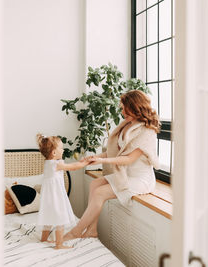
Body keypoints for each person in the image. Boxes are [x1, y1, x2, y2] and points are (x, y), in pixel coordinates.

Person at [64, 90, 161, 241]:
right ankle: (91, 230)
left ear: (136, 107)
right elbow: (113, 152)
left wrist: (102, 161)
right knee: (94, 184)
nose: (122, 112)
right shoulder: (126, 125)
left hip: (141, 179)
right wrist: (96, 157)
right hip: (126, 175)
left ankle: (76, 232)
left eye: (125, 108)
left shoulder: (147, 132)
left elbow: (128, 159)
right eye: (122, 108)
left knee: (100, 193)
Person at [36, 134, 89, 249]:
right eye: (61, 148)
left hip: (48, 197)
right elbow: (74, 167)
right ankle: (59, 244)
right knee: (60, 216)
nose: (63, 149)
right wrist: (85, 163)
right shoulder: (57, 164)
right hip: (56, 195)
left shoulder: (48, 163)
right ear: (54, 153)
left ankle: (44, 239)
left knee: (49, 216)